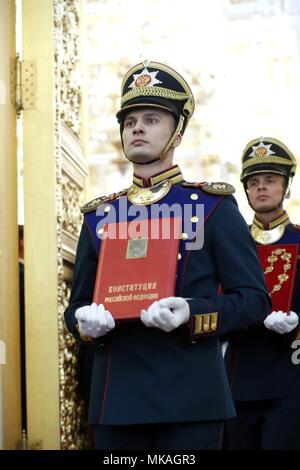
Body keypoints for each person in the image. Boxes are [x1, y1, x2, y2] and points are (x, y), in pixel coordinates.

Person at [64, 61, 270, 450]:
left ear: (177, 132)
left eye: (151, 119)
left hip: (191, 397)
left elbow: (254, 300)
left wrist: (194, 312)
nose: (136, 127)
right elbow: (75, 307)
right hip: (116, 398)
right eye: (129, 121)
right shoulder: (99, 217)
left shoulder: (213, 207)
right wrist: (83, 322)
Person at [225, 136, 300, 450]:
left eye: (270, 180)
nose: (261, 187)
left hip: (290, 372)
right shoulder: (231, 242)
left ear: (286, 187)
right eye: (253, 182)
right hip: (241, 371)